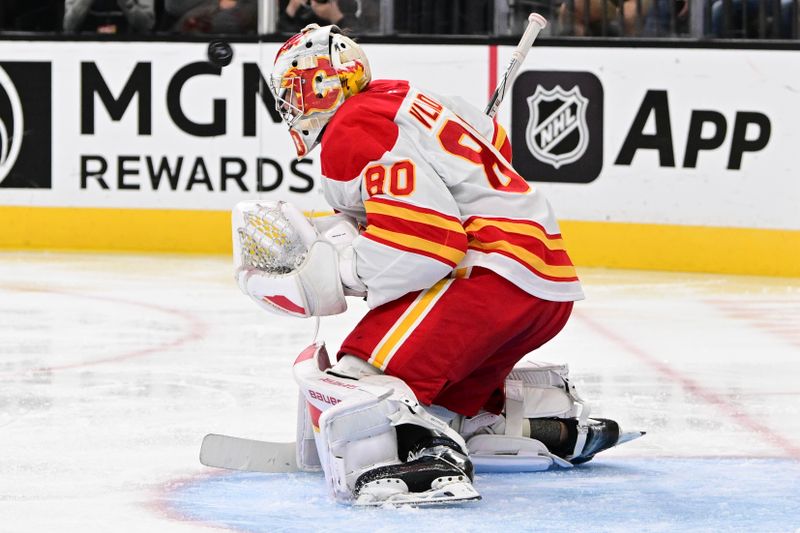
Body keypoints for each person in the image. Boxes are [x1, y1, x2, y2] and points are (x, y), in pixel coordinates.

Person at [236, 24, 636, 505]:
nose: (292, 108)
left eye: (294, 93)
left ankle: (419, 461)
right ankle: (518, 426)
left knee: (361, 383)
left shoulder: (352, 127)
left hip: (487, 279)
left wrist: (339, 273)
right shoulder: (402, 96)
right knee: (441, 400)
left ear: (320, 85)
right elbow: (496, 143)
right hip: (540, 281)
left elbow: (430, 243)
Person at [63, 0, 154, 33]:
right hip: (88, 49)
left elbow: (147, 25)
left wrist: (126, 3)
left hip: (128, 47)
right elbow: (69, 26)